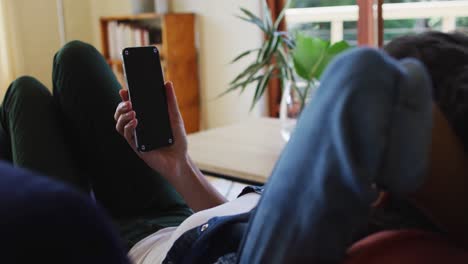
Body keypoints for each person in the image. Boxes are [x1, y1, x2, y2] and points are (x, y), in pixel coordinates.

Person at [1, 31, 468, 263]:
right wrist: (178, 163)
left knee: (23, 95)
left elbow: (365, 86)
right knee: (76, 59)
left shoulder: (302, 242)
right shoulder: (328, 211)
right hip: (178, 209)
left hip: (131, 245)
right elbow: (234, 220)